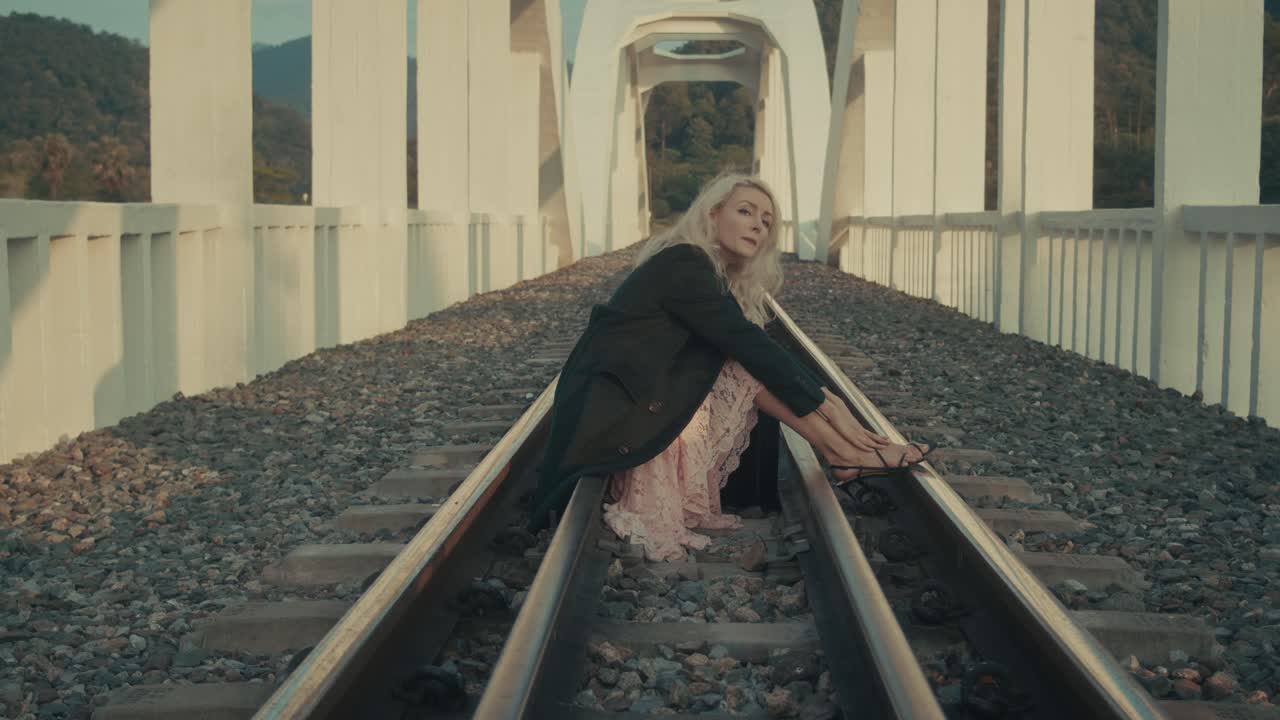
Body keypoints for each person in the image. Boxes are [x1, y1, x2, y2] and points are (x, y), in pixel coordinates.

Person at [528, 172, 929, 560]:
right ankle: (841, 451)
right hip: (607, 424)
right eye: (745, 211)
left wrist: (823, 399)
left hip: (622, 411)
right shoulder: (684, 262)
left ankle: (841, 451)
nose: (758, 226)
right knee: (745, 361)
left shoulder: (698, 270)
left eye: (766, 221)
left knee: (742, 360)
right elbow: (748, 343)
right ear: (712, 214)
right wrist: (828, 403)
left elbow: (746, 345)